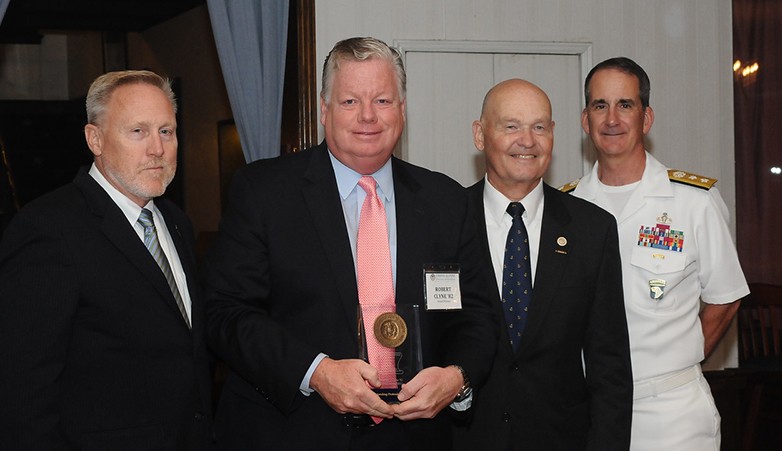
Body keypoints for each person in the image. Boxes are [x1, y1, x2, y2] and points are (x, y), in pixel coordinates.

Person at [201, 37, 497, 450]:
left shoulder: (446, 201)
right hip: (294, 434)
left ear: (403, 110)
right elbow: (225, 313)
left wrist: (457, 376)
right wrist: (316, 372)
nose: (367, 117)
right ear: (324, 109)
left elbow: (479, 314)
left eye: (382, 101)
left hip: (415, 438)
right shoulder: (263, 192)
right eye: (349, 102)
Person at [0, 70, 213, 450]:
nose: (157, 149)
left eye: (166, 131)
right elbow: (22, 391)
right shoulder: (48, 229)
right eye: (138, 132)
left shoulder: (176, 222)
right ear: (94, 139)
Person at [562, 57, 750, 450]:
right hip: (588, 411)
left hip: (673, 412)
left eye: (625, 105)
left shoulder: (692, 202)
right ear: (585, 120)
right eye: (600, 106)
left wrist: (682, 357)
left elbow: (726, 298)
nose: (612, 118)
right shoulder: (565, 207)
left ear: (646, 118)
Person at [452, 78, 633, 450]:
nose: (527, 141)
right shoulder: (445, 221)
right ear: (480, 134)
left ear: (553, 134)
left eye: (539, 127)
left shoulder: (592, 230)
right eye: (511, 126)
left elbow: (609, 367)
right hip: (464, 438)